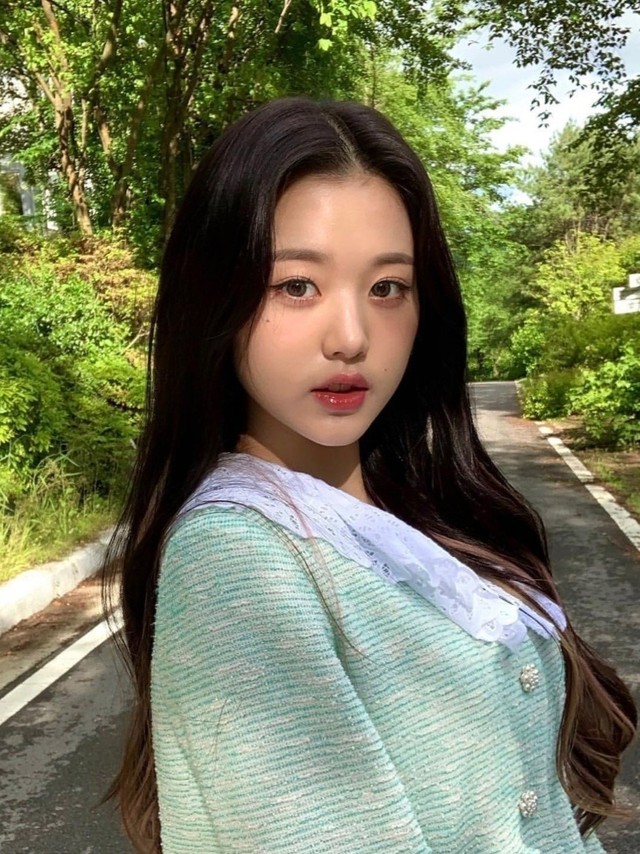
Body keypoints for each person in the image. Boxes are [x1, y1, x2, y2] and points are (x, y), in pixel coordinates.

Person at [102, 96, 637, 853]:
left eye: (387, 288)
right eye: (296, 285)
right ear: (215, 297)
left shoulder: (415, 508)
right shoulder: (239, 559)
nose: (351, 337)